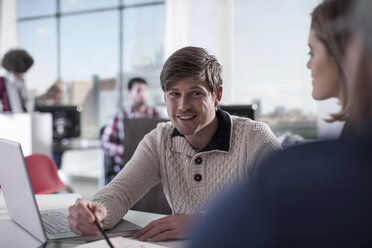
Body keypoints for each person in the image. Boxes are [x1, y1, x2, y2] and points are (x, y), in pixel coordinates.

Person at [189, 0, 372, 247]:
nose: (308, 64)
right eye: (173, 94)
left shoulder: (289, 180)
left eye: (312, 52)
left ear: (349, 50)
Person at [68, 46, 281, 242]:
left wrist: (206, 222)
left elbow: (287, 205)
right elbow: (121, 192)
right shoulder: (158, 141)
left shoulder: (255, 137)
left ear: (217, 95)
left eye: (195, 93)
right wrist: (97, 211)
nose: (183, 106)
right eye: (174, 94)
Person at [100, 77, 160, 182]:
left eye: (145, 90)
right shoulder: (119, 117)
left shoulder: (157, 115)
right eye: (138, 90)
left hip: (151, 166)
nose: (142, 93)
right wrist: (125, 151)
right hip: (125, 167)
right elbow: (104, 144)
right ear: (130, 93)